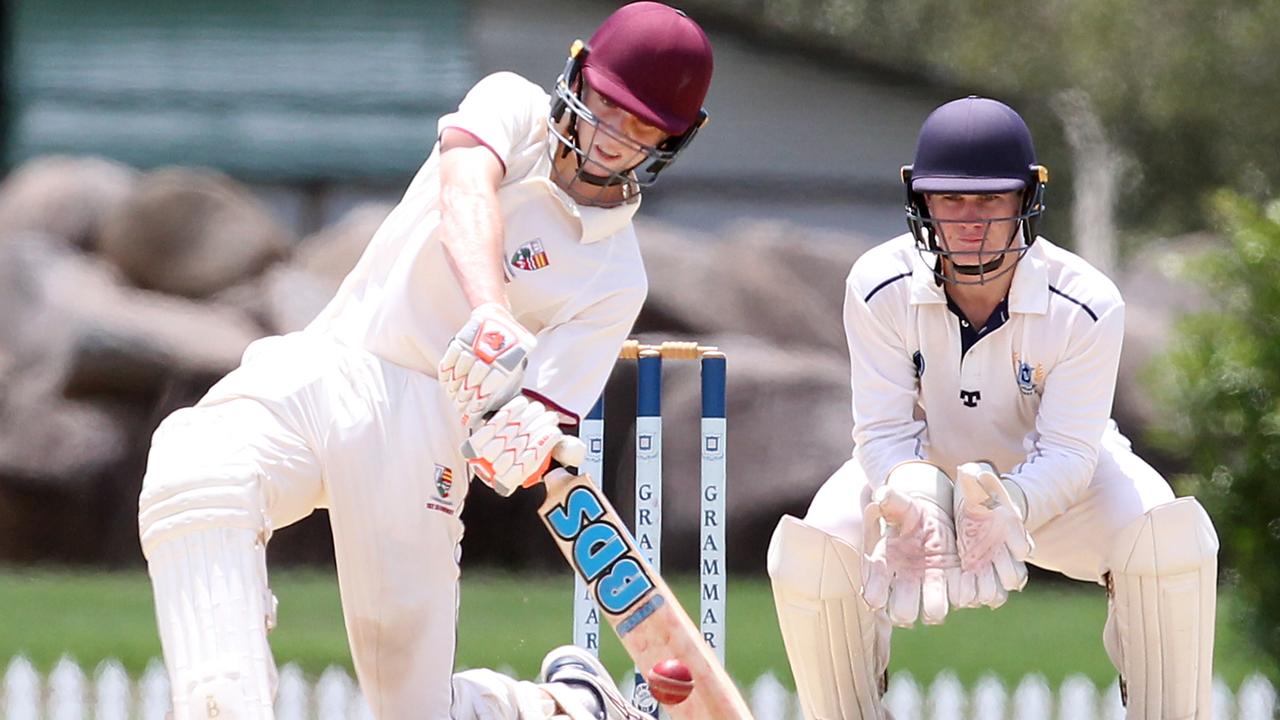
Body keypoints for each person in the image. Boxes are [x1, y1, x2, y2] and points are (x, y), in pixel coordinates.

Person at [136, 3, 712, 718]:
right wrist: (493, 312)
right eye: (607, 105)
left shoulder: (615, 278)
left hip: (423, 446)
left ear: (671, 140)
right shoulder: (510, 104)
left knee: (413, 711)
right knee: (196, 469)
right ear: (576, 77)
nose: (612, 136)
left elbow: (525, 440)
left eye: (640, 125)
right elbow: (464, 192)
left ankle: (561, 709)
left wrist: (517, 436)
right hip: (334, 363)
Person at [767, 96, 1219, 719]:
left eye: (991, 199)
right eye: (951, 200)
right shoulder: (877, 284)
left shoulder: (1086, 302)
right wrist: (920, 498)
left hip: (1057, 487)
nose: (970, 220)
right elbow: (882, 432)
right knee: (816, 550)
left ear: (1027, 198)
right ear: (921, 201)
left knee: (1171, 542)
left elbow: (1069, 450)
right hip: (917, 476)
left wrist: (1013, 504)